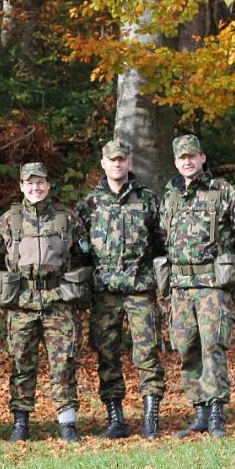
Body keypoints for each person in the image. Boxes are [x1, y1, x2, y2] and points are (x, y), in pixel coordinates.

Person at [0, 162, 91, 443]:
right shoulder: (10, 220)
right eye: (30, 183)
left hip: (59, 301)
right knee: (21, 363)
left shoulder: (66, 218)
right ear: (21, 185)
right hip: (22, 303)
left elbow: (83, 254)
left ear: (49, 184)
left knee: (64, 364)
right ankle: (21, 423)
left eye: (41, 182)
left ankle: (67, 423)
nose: (36, 187)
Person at [76, 140, 165, 439]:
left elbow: (161, 242)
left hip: (140, 290)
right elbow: (79, 250)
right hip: (105, 293)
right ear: (103, 163)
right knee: (107, 354)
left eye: (122, 159)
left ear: (129, 163)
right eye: (112, 160)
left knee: (147, 352)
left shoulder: (149, 200)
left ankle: (150, 417)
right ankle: (116, 418)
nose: (117, 164)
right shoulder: (89, 205)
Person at [160, 134, 235, 439]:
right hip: (180, 287)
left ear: (202, 157)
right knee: (186, 349)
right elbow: (160, 237)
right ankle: (200, 413)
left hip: (212, 287)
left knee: (213, 347)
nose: (188, 161)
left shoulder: (223, 192)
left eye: (192, 156)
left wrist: (232, 259)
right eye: (182, 158)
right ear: (176, 162)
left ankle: (217, 412)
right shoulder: (169, 197)